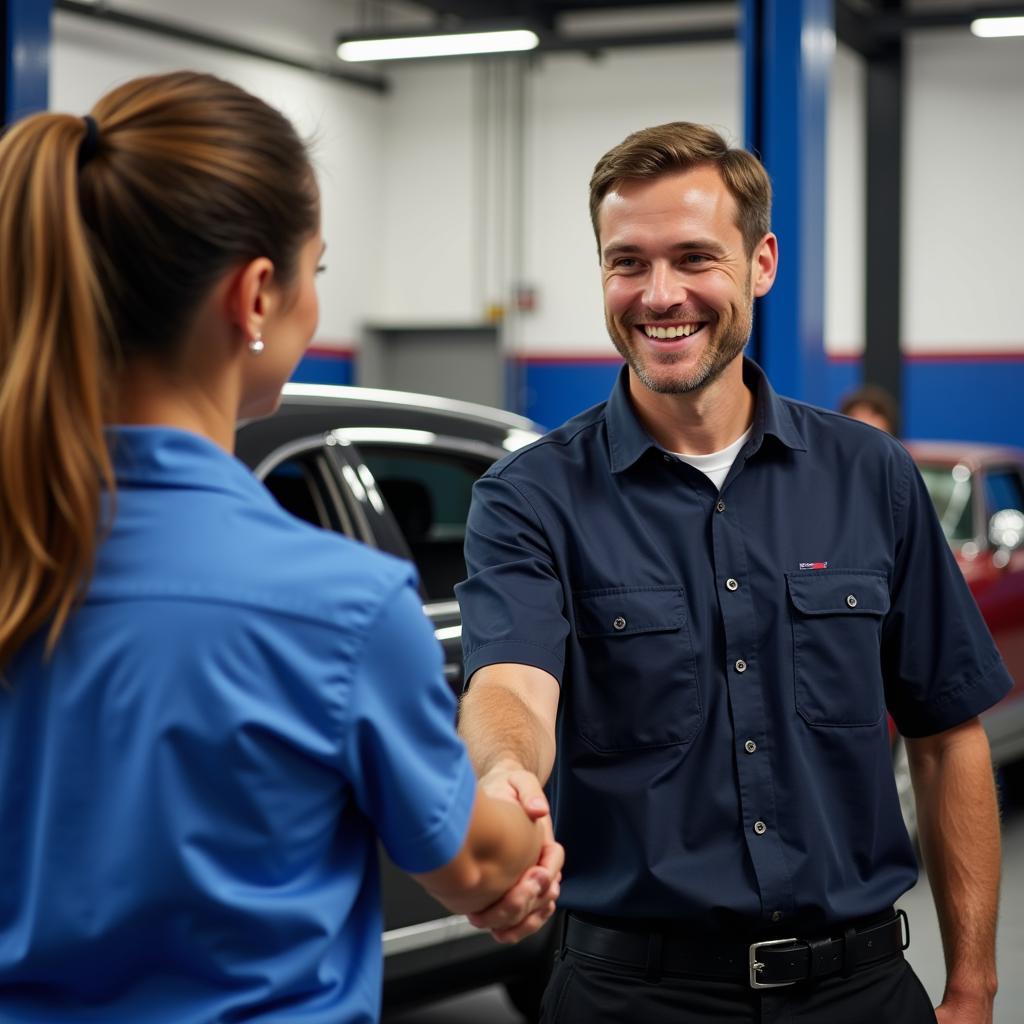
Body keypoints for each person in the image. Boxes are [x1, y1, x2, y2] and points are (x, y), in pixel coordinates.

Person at [0, 72, 560, 1023]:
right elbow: (471, 863)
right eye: (318, 272)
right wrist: (522, 829)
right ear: (256, 295)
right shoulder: (337, 604)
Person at [456, 122, 1010, 1023]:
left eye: (694, 258)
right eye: (626, 262)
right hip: (631, 999)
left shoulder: (871, 476)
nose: (659, 295)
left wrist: (974, 984)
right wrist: (505, 769)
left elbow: (948, 736)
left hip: (861, 991)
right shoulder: (532, 497)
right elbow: (512, 682)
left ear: (761, 261)